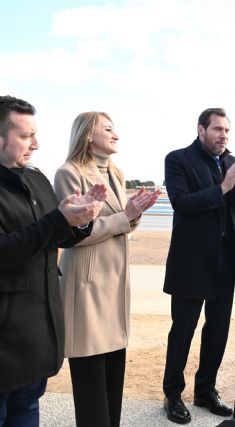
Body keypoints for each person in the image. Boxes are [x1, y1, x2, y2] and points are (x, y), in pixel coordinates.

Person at [0, 95, 106, 426]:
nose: (36, 144)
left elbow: (54, 237)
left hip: (35, 340)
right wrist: (59, 220)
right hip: (4, 342)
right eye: (25, 136)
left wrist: (80, 219)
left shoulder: (36, 179)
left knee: (26, 414)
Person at [53, 112, 160, 427]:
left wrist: (134, 213)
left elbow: (120, 223)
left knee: (114, 376)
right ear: (88, 136)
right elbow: (73, 235)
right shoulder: (68, 173)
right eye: (109, 129)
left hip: (114, 286)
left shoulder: (116, 172)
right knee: (91, 386)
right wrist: (124, 217)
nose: (116, 135)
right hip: (87, 289)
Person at [162, 108, 235, 424]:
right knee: (183, 331)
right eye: (217, 129)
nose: (223, 136)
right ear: (201, 129)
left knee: (217, 332)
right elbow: (182, 204)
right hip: (191, 264)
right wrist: (225, 187)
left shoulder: (232, 163)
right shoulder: (178, 159)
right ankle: (172, 395)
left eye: (227, 131)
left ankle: (206, 391)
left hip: (225, 265)